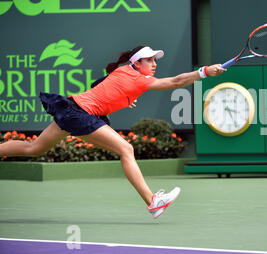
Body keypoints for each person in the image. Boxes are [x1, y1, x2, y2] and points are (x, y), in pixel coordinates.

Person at [0, 45, 225, 217]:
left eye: (155, 60)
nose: (154, 64)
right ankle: (152, 201)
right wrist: (205, 72)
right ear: (136, 63)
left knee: (34, 148)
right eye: (149, 60)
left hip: (72, 109)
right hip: (80, 114)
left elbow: (103, 82)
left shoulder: (122, 71)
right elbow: (176, 82)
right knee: (126, 149)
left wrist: (124, 96)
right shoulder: (138, 78)